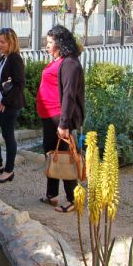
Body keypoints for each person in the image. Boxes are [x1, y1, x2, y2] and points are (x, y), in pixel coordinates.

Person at [36, 25, 85, 213]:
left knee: (64, 158)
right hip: (49, 116)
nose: (46, 46)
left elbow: (69, 95)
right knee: (52, 155)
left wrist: (64, 124)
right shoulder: (59, 60)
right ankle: (52, 195)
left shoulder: (70, 63)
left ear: (60, 43)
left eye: (50, 42)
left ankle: (73, 198)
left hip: (59, 118)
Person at [0, 28, 26, 183]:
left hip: (10, 105)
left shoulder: (15, 58)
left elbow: (20, 84)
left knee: (8, 137)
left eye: (3, 42)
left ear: (11, 42)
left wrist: (5, 101)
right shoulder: (4, 58)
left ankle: (8, 171)